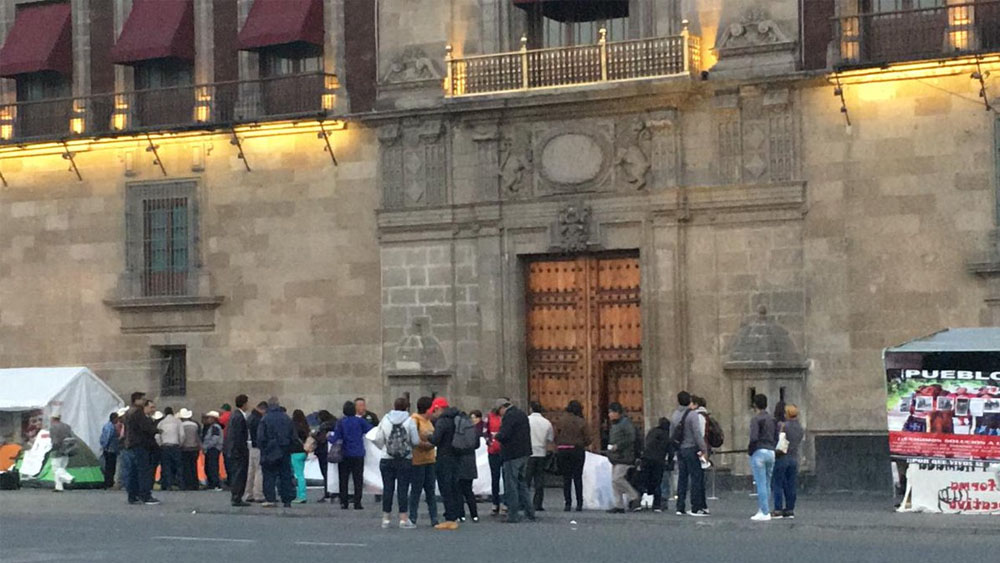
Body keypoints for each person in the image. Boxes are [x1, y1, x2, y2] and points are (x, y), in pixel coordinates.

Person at [373, 397, 420, 529]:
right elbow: (415, 441)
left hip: (387, 458)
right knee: (402, 489)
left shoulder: (385, 419)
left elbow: (378, 438)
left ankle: (386, 519)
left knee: (388, 488)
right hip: (405, 458)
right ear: (407, 407)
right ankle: (403, 519)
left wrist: (385, 447)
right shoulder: (409, 420)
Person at [494, 399, 534, 523]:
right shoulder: (521, 414)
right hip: (524, 453)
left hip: (512, 454)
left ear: (502, 408)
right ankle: (530, 512)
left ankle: (513, 515)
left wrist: (496, 435)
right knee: (522, 484)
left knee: (511, 485)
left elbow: (504, 434)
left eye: (498, 412)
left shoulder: (509, 416)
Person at [672, 391, 708, 517]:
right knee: (696, 478)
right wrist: (703, 449)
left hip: (680, 450)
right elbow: (697, 434)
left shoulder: (675, 414)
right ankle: (696, 506)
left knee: (682, 478)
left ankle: (680, 506)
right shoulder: (692, 415)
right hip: (691, 448)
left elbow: (672, 433)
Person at [429, 397, 462, 529]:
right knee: (455, 487)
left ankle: (450, 518)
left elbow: (436, 439)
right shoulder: (457, 417)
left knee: (445, 487)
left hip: (444, 456)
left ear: (438, 408)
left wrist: (428, 436)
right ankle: (456, 515)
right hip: (456, 456)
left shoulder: (442, 421)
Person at [332, 400, 372, 509]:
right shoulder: (360, 421)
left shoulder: (341, 422)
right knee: (358, 479)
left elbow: (335, 438)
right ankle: (357, 502)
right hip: (358, 453)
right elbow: (371, 430)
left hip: (344, 453)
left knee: (343, 478)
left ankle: (344, 502)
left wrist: (328, 437)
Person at [257, 397, 296, 508]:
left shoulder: (265, 419)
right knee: (285, 475)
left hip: (270, 450)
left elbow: (260, 437)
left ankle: (270, 498)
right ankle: (287, 499)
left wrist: (263, 449)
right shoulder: (286, 418)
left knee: (269, 475)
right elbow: (293, 436)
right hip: (284, 450)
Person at [553, 400, 590, 512]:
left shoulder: (561, 421)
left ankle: (567, 503)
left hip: (563, 450)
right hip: (577, 450)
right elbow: (588, 438)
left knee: (566, 478)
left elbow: (555, 436)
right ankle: (579, 503)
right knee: (578, 477)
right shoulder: (581, 422)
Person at [124, 395, 160, 505]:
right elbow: (145, 428)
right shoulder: (138, 413)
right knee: (144, 471)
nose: (143, 401)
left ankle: (133, 495)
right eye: (142, 399)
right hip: (141, 444)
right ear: (136, 400)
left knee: (134, 471)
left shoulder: (129, 412)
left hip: (132, 444)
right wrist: (156, 430)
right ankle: (145, 495)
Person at [409, 396, 439, 526]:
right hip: (418, 460)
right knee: (416, 490)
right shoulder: (415, 420)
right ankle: (413, 517)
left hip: (430, 459)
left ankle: (434, 518)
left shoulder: (429, 421)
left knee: (430, 491)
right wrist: (427, 444)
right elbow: (413, 439)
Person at [772, 403, 804, 519]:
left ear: (787, 414)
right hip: (794, 457)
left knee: (778, 483)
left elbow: (778, 439)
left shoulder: (783, 425)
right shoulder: (800, 428)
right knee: (791, 484)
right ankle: (790, 509)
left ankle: (778, 509)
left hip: (782, 456)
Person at [606, 402, 639, 514]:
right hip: (616, 457)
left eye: (611, 412)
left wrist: (618, 445)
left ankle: (634, 496)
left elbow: (631, 437)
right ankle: (618, 505)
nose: (609, 415)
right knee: (614, 482)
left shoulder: (626, 423)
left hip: (624, 456)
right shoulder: (616, 424)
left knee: (617, 478)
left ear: (617, 413)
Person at [748, 393, 777, 522]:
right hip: (771, 451)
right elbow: (776, 436)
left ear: (755, 405)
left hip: (759, 451)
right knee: (767, 483)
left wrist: (751, 450)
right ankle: (764, 508)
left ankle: (764, 511)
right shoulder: (772, 419)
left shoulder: (756, 419)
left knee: (760, 483)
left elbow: (753, 437)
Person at [641, 418, 673, 513]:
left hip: (647, 459)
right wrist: (670, 463)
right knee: (657, 482)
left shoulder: (652, 432)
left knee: (645, 481)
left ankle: (641, 501)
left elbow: (646, 443)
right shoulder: (666, 435)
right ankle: (657, 505)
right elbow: (670, 451)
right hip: (659, 461)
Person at [224, 394, 251, 507]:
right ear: (244, 403)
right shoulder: (239, 417)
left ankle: (236, 496)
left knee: (237, 474)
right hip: (238, 451)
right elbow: (239, 436)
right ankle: (237, 497)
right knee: (240, 475)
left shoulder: (234, 416)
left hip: (233, 449)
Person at [526, 402, 554, 512]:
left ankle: (525, 502)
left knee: (526, 479)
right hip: (541, 453)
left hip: (529, 452)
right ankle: (537, 503)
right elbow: (550, 438)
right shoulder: (546, 422)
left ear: (531, 409)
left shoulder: (527, 420)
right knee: (539, 480)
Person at [456, 410, 480, 523]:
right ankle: (474, 514)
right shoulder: (472, 427)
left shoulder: (456, 426)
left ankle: (461, 515)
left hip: (459, 459)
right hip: (470, 459)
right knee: (469, 490)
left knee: (459, 490)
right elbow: (477, 444)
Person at [485, 399, 506, 515]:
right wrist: (490, 442)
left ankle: (506, 503)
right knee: (495, 478)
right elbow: (485, 431)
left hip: (505, 450)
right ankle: (495, 503)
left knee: (507, 477)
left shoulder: (507, 418)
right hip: (493, 450)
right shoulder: (489, 417)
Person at [245, 401, 267, 502]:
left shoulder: (249, 417)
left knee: (250, 471)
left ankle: (248, 494)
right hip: (258, 447)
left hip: (249, 446)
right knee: (259, 470)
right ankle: (258, 494)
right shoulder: (259, 419)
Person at [156, 407, 183, 491]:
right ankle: (180, 484)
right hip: (175, 445)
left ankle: (167, 485)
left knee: (166, 466)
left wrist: (160, 444)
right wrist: (180, 443)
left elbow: (157, 436)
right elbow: (182, 434)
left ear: (165, 413)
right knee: (178, 466)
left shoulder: (161, 423)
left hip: (165, 446)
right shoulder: (178, 422)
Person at [313, 410, 337, 503]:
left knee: (325, 473)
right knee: (333, 473)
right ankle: (334, 493)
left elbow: (321, 439)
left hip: (323, 451)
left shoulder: (323, 426)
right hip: (334, 452)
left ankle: (327, 493)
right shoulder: (335, 423)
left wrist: (314, 435)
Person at [48, 410, 74, 492]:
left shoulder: (53, 428)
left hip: (57, 451)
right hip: (67, 450)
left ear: (52, 418)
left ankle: (69, 478)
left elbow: (55, 441)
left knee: (56, 469)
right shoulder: (67, 426)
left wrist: (52, 449)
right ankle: (59, 487)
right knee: (62, 468)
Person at [178, 408, 201, 491]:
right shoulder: (195, 425)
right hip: (194, 448)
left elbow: (182, 437)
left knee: (185, 467)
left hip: (185, 448)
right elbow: (197, 437)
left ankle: (187, 484)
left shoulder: (181, 425)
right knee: (193, 467)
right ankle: (195, 484)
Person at [290, 409, 310, 503]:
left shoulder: (293, 426)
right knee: (301, 474)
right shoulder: (305, 426)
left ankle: (300, 495)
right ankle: (302, 495)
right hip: (304, 452)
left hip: (294, 451)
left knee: (296, 474)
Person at [202, 411, 224, 491]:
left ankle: (215, 484)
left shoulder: (215, 427)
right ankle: (212, 483)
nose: (208, 419)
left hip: (213, 449)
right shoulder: (214, 427)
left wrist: (206, 446)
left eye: (209, 418)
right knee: (210, 466)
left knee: (212, 467)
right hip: (212, 449)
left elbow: (215, 439)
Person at [99, 412, 120, 489]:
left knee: (108, 466)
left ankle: (108, 482)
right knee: (110, 467)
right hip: (110, 449)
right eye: (117, 418)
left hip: (108, 449)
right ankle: (108, 482)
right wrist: (106, 446)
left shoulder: (107, 426)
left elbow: (102, 437)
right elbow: (108, 437)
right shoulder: (111, 427)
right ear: (114, 419)